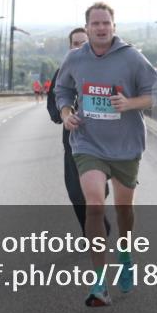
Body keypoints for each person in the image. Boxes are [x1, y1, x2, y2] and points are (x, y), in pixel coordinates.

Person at [55, 2, 157, 307]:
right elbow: (62, 90)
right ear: (87, 27)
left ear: (114, 26)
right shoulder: (75, 58)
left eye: (106, 23)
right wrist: (66, 113)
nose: (101, 28)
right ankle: (99, 281)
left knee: (123, 209)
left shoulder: (131, 58)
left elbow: (156, 93)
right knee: (94, 204)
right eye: (95, 23)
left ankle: (125, 253)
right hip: (88, 143)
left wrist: (130, 104)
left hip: (125, 144)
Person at [47, 27, 110, 235]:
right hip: (73, 143)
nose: (80, 47)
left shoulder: (107, 69)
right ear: (70, 47)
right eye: (76, 44)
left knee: (97, 191)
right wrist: (66, 114)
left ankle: (97, 229)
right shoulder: (62, 72)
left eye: (84, 43)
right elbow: (54, 107)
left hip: (102, 141)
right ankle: (90, 231)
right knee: (76, 193)